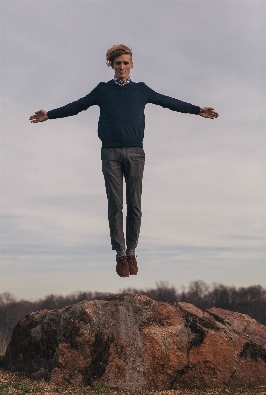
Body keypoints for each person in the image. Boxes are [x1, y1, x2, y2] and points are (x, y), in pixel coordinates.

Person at [29, 44, 219, 278]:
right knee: (115, 205)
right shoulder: (102, 90)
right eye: (117, 63)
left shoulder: (141, 90)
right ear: (112, 65)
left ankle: (132, 251)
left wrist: (197, 110)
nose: (122, 67)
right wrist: (49, 114)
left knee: (135, 204)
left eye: (125, 63)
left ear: (132, 65)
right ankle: (120, 254)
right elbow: (77, 105)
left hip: (135, 153)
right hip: (110, 153)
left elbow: (168, 101)